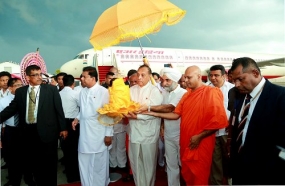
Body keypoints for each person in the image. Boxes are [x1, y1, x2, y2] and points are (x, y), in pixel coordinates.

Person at [143, 66, 228, 185]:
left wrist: (199, 137)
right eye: (185, 77)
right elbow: (175, 114)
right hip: (186, 141)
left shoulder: (211, 92)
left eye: (189, 78)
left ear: (199, 77)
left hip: (201, 142)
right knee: (188, 174)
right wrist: (153, 113)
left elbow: (218, 121)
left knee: (199, 176)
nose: (186, 81)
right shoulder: (187, 94)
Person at [0, 65, 67, 186]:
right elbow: (11, 109)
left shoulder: (51, 90)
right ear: (27, 77)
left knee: (49, 164)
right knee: (33, 164)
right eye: (35, 75)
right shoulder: (21, 92)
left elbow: (59, 110)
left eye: (40, 74)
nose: (39, 77)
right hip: (27, 133)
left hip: (47, 132)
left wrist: (63, 128)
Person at [229, 57, 285, 185]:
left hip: (266, 175)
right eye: (234, 80)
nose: (236, 85)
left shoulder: (280, 96)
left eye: (240, 79)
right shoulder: (241, 96)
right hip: (240, 172)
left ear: (255, 73)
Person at [140, 67, 187, 186]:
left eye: (167, 80)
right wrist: (161, 127)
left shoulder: (183, 93)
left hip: (182, 134)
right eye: (163, 80)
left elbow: (169, 108)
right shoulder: (164, 92)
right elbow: (163, 111)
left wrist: (149, 109)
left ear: (175, 80)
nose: (164, 83)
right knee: (171, 164)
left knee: (184, 163)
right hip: (168, 134)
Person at [72, 66, 113, 186]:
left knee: (99, 166)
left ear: (93, 78)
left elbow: (109, 115)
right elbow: (84, 110)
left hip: (99, 134)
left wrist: (108, 134)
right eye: (82, 76)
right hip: (85, 134)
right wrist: (77, 118)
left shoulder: (103, 92)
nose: (82, 79)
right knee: (84, 162)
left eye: (84, 76)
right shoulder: (82, 91)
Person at [124, 65, 163, 186]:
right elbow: (125, 107)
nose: (139, 77)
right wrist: (127, 112)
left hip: (149, 135)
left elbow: (153, 112)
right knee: (135, 163)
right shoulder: (131, 90)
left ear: (149, 76)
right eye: (138, 74)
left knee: (148, 165)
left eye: (143, 75)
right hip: (134, 133)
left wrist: (136, 116)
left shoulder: (154, 91)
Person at [0, 78, 35, 186]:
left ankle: (29, 178)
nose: (20, 87)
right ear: (10, 88)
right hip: (10, 131)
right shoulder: (2, 101)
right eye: (17, 85)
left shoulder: (27, 99)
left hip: (25, 130)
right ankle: (14, 180)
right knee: (12, 158)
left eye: (21, 85)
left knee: (27, 156)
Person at [208, 65, 234, 185]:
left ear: (224, 76)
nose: (213, 78)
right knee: (215, 161)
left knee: (230, 158)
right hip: (212, 132)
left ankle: (231, 181)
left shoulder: (232, 89)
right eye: (211, 75)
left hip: (228, 131)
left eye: (216, 75)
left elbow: (236, 110)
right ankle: (216, 183)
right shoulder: (206, 89)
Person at [59, 74, 80, 183]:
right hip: (74, 124)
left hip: (61, 124)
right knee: (75, 150)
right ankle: (76, 175)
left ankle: (69, 174)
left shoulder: (58, 94)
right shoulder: (76, 94)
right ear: (73, 83)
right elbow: (82, 108)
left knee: (66, 150)